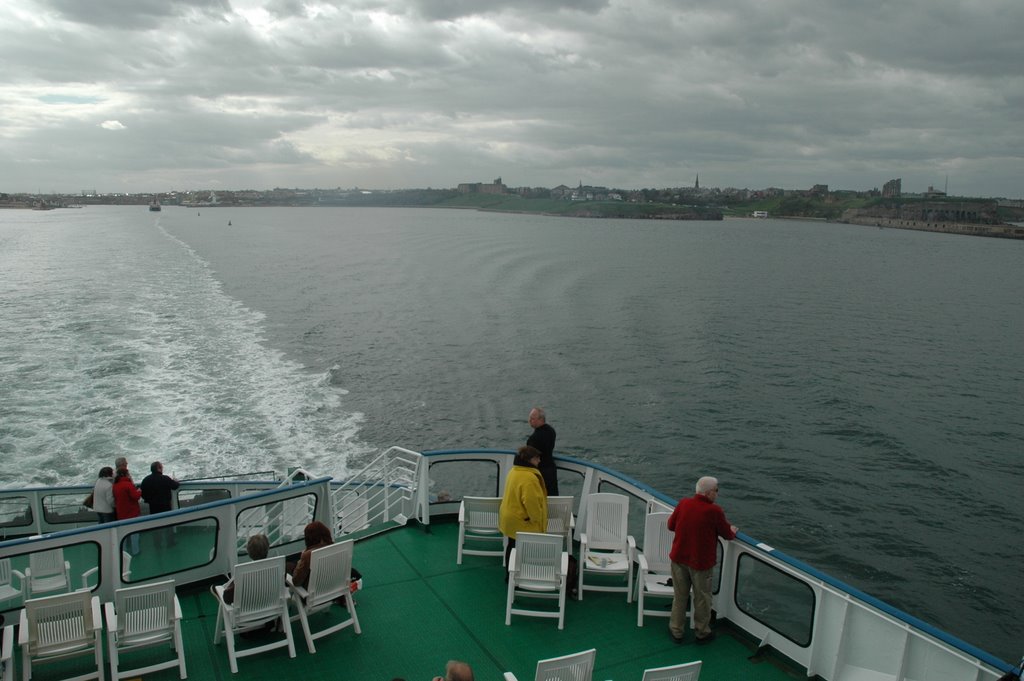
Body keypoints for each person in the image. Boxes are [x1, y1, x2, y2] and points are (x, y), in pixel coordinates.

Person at [667, 476, 738, 644]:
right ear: (708, 493)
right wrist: (733, 530)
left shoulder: (683, 503)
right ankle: (702, 632)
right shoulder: (714, 511)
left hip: (678, 559)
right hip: (701, 564)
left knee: (680, 596)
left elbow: (671, 525)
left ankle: (676, 630)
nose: (717, 494)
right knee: (702, 598)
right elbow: (727, 534)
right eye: (716, 490)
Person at [498, 445, 548, 573]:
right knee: (522, 549)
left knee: (512, 546)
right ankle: (520, 574)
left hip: (510, 517)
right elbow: (531, 502)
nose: (539, 461)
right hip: (521, 520)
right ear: (530, 460)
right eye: (537, 458)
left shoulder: (514, 471)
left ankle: (510, 575)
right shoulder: (529, 478)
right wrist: (536, 519)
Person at [223, 534, 270, 604]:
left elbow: (227, 595)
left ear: (248, 551)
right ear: (268, 549)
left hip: (246, 609)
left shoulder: (242, 572)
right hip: (269, 604)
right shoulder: (276, 567)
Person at [291, 520, 334, 589]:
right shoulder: (335, 548)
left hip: (314, 594)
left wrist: (300, 561)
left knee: (289, 567)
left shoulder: (308, 555)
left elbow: (296, 581)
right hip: (333, 588)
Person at [526, 407, 558, 495]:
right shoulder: (551, 431)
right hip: (551, 470)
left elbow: (530, 458)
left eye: (532, 418)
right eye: (529, 418)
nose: (529, 420)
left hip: (539, 472)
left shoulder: (534, 438)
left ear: (541, 419)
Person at [112, 468, 142, 554]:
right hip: (132, 512)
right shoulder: (128, 485)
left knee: (123, 534)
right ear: (126, 475)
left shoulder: (115, 485)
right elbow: (135, 496)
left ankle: (123, 552)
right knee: (134, 533)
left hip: (121, 513)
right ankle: (135, 551)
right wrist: (139, 491)